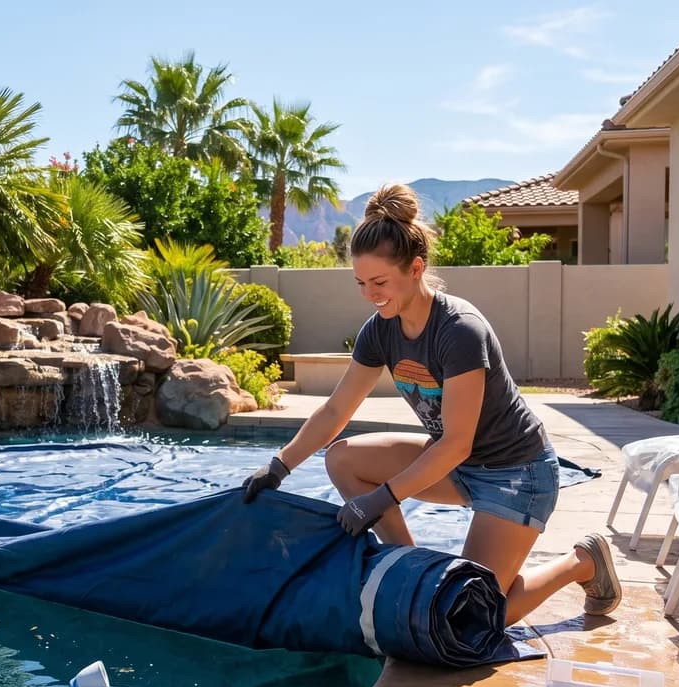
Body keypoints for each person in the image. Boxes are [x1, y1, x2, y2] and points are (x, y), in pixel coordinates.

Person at [241, 183, 620, 626]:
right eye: (361, 283)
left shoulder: (459, 330)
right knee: (342, 460)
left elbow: (457, 443)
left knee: (471, 620)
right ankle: (410, 572)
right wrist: (279, 466)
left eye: (379, 282)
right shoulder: (379, 330)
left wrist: (380, 500)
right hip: (456, 467)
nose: (369, 294)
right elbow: (335, 411)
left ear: (416, 268)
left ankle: (582, 561)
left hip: (516, 472)